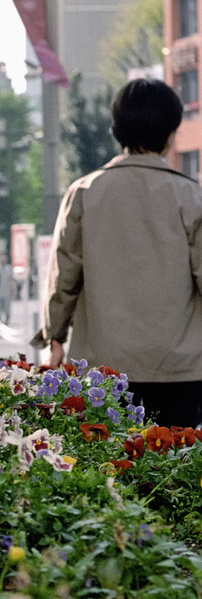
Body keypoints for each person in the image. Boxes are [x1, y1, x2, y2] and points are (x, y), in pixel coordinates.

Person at [34, 77, 202, 428]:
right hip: (181, 368)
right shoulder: (191, 197)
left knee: (109, 471)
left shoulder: (85, 192)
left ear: (116, 130)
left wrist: (54, 336)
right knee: (175, 473)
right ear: (171, 134)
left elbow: (64, 277)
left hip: (102, 368)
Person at [0, 250, 14, 325]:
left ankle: (6, 324)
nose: (3, 259)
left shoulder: (9, 268)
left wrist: (14, 291)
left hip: (7, 293)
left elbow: (12, 281)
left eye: (4, 258)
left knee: (7, 311)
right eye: (1, 257)